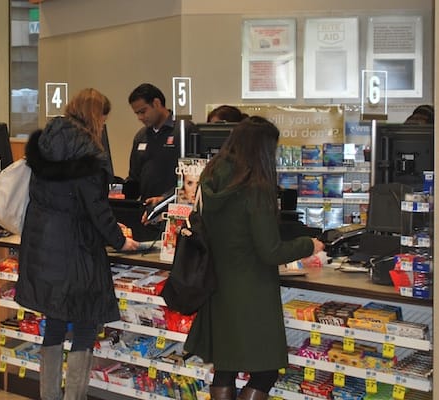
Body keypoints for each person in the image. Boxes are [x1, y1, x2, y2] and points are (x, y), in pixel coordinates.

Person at [184, 116, 325, 400]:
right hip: (252, 290)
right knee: (266, 369)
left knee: (226, 365)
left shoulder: (211, 176)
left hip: (218, 285)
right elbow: (270, 250)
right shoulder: (255, 187)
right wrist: (309, 244)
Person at [15, 88, 139, 400]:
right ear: (97, 116)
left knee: (55, 322)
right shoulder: (87, 152)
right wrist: (119, 239)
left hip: (43, 245)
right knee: (85, 323)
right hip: (76, 250)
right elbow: (95, 207)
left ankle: (49, 395)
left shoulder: (45, 143)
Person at [126, 83, 191, 207]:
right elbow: (134, 177)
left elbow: (194, 178)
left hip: (176, 209)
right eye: (137, 113)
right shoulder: (141, 136)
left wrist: (165, 199)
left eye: (143, 111)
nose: (140, 117)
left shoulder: (184, 131)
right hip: (147, 209)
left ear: (156, 103)